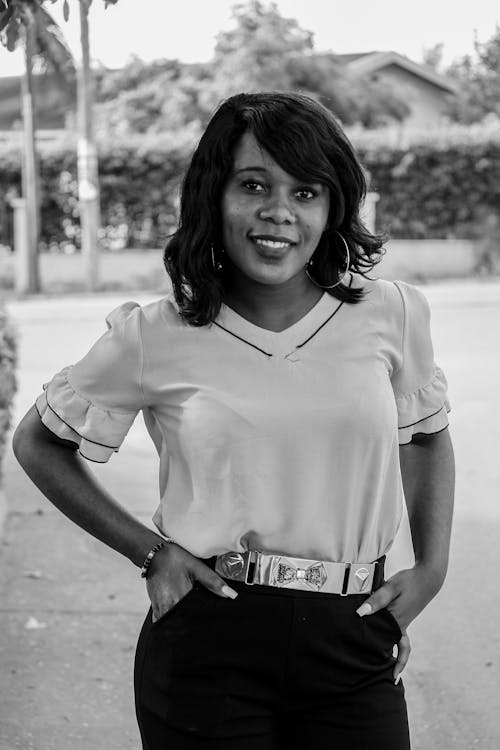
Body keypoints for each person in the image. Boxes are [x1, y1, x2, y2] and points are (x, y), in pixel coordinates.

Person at [12, 91, 455, 750]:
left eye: (306, 193)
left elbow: (425, 436)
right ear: (213, 195)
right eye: (254, 185)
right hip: (209, 640)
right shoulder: (155, 335)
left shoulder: (389, 314)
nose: (278, 213)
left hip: (354, 634)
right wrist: (151, 552)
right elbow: (39, 442)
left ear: (333, 207)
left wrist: (431, 570)